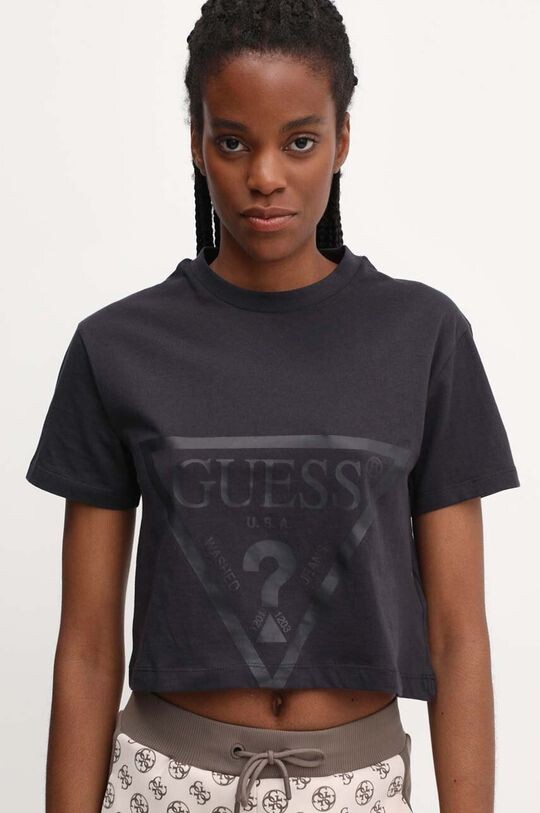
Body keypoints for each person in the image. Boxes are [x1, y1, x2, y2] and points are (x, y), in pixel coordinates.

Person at [25, 2, 520, 812]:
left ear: (342, 139)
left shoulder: (424, 336)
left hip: (356, 786)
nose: (264, 175)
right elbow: (85, 645)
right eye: (232, 142)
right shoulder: (116, 347)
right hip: (165, 781)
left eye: (299, 141)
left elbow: (458, 636)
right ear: (196, 141)